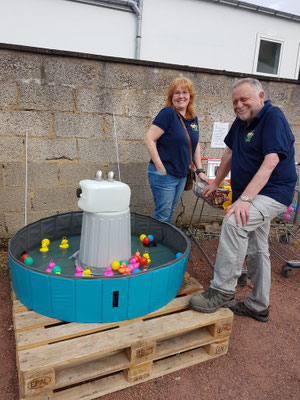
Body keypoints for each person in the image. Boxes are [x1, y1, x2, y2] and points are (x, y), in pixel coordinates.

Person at [189, 78, 297, 322]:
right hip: (248, 193)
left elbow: (271, 160)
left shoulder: (273, 117)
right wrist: (216, 183)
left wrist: (246, 199)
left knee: (234, 222)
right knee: (258, 249)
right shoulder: (240, 123)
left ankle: (223, 290)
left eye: (243, 99)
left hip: (272, 192)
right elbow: (229, 152)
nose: (238, 105)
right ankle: (258, 306)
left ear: (260, 97)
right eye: (234, 101)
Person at [145, 77, 208, 223]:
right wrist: (160, 167)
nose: (181, 96)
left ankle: (164, 242)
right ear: (171, 97)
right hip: (164, 174)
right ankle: (157, 245)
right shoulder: (168, 113)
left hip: (181, 174)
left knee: (170, 213)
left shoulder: (192, 118)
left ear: (190, 96)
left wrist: (199, 170)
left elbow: (195, 144)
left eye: (184, 92)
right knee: (162, 216)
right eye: (177, 93)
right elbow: (149, 138)